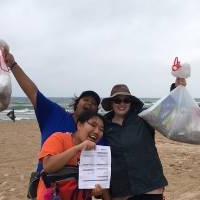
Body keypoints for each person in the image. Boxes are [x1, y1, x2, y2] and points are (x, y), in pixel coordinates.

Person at [3, 50, 101, 172]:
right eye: (86, 100)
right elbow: (33, 92)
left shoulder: (97, 132)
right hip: (46, 185)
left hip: (78, 188)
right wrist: (12, 64)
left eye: (94, 104)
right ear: (76, 103)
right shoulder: (54, 113)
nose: (89, 104)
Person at [101, 82, 185, 200]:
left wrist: (177, 88)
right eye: (117, 100)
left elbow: (168, 110)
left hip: (150, 187)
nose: (122, 104)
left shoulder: (144, 117)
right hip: (120, 191)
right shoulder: (103, 124)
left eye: (126, 100)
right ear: (111, 103)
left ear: (131, 102)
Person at [37, 111, 110, 200]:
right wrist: (78, 148)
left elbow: (96, 189)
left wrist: (97, 193)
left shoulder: (97, 153)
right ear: (79, 125)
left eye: (101, 129)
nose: (97, 131)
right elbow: (48, 166)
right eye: (93, 125)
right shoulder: (59, 138)